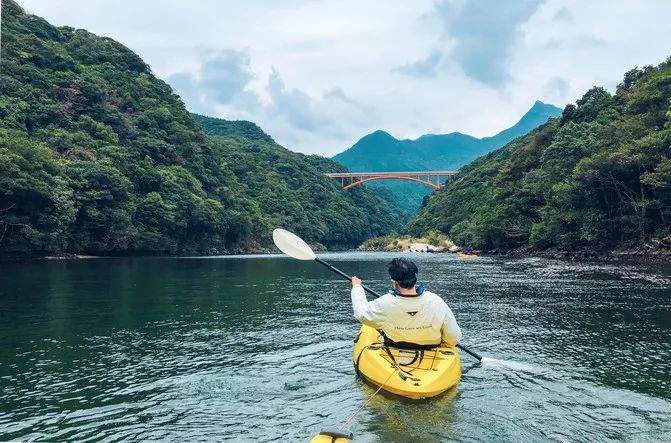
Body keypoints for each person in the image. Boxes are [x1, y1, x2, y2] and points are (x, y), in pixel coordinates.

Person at [350, 258, 462, 348]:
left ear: (394, 283)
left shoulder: (384, 303)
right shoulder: (436, 301)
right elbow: (454, 337)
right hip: (432, 348)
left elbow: (360, 313)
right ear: (415, 279)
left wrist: (357, 286)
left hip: (396, 348)